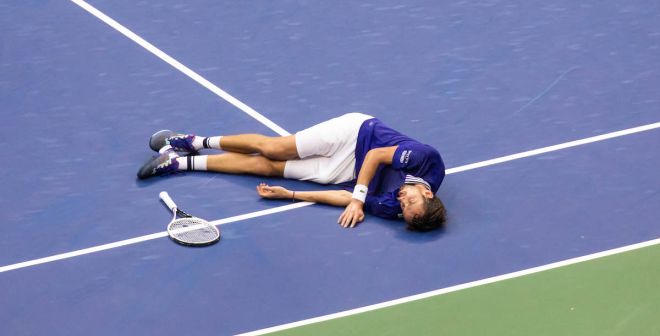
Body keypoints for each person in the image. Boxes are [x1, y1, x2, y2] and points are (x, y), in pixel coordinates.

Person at [138, 113, 446, 231]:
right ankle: (192, 141)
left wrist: (292, 195)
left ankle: (178, 163)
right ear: (427, 191)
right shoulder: (427, 161)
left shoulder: (397, 210)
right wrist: (358, 198)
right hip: (354, 134)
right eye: (409, 201)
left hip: (344, 170)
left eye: (403, 207)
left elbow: (347, 197)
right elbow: (377, 157)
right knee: (274, 149)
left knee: (267, 168)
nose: (401, 200)